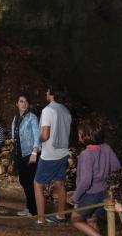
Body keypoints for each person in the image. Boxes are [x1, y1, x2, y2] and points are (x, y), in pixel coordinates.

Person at [70, 119, 121, 235]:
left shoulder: (86, 154)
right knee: (92, 220)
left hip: (89, 195)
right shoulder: (106, 147)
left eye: (80, 133)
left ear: (87, 135)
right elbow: (116, 166)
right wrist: (102, 172)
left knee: (75, 220)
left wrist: (75, 197)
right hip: (102, 193)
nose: (78, 135)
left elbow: (86, 181)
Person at [34, 84, 72, 223]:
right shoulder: (66, 111)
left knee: (38, 185)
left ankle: (40, 219)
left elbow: (45, 135)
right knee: (60, 184)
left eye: (47, 90)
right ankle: (60, 216)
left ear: (52, 93)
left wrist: (36, 138)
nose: (46, 92)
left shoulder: (48, 110)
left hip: (49, 154)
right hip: (62, 153)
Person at [11, 93, 41, 217]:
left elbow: (37, 136)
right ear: (17, 103)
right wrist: (12, 158)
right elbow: (14, 138)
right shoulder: (15, 118)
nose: (23, 104)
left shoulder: (32, 117)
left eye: (25, 102)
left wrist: (34, 153)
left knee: (29, 182)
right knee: (23, 181)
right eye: (21, 101)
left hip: (29, 154)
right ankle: (29, 207)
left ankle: (33, 210)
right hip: (19, 154)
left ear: (28, 104)